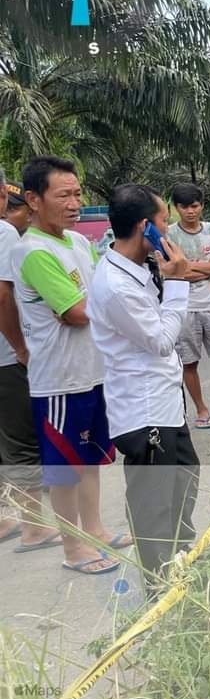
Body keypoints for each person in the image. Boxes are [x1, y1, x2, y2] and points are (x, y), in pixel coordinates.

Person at [12, 156, 130, 574]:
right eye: (64, 194)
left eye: (78, 193)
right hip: (60, 380)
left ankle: (94, 530)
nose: (74, 202)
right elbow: (77, 311)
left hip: (92, 372)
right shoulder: (33, 251)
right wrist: (121, 310)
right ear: (33, 199)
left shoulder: (78, 243)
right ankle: (72, 549)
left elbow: (101, 295)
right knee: (64, 468)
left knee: (91, 459)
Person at [88, 184, 199, 588]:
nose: (168, 229)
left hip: (166, 402)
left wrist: (170, 276)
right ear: (144, 227)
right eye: (164, 221)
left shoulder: (140, 267)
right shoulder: (115, 286)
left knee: (184, 481)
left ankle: (182, 565)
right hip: (143, 409)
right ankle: (159, 584)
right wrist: (178, 282)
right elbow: (161, 339)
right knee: (154, 502)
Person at [0, 179, 50, 551]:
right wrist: (21, 347)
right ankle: (34, 527)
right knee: (22, 440)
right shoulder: (4, 234)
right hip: (6, 355)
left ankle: (5, 519)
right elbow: (4, 297)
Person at [167, 183, 210, 430]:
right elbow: (172, 272)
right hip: (185, 307)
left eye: (194, 206)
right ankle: (202, 409)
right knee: (189, 362)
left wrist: (190, 268)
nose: (190, 211)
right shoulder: (169, 235)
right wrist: (207, 268)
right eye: (184, 207)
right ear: (176, 208)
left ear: (201, 205)